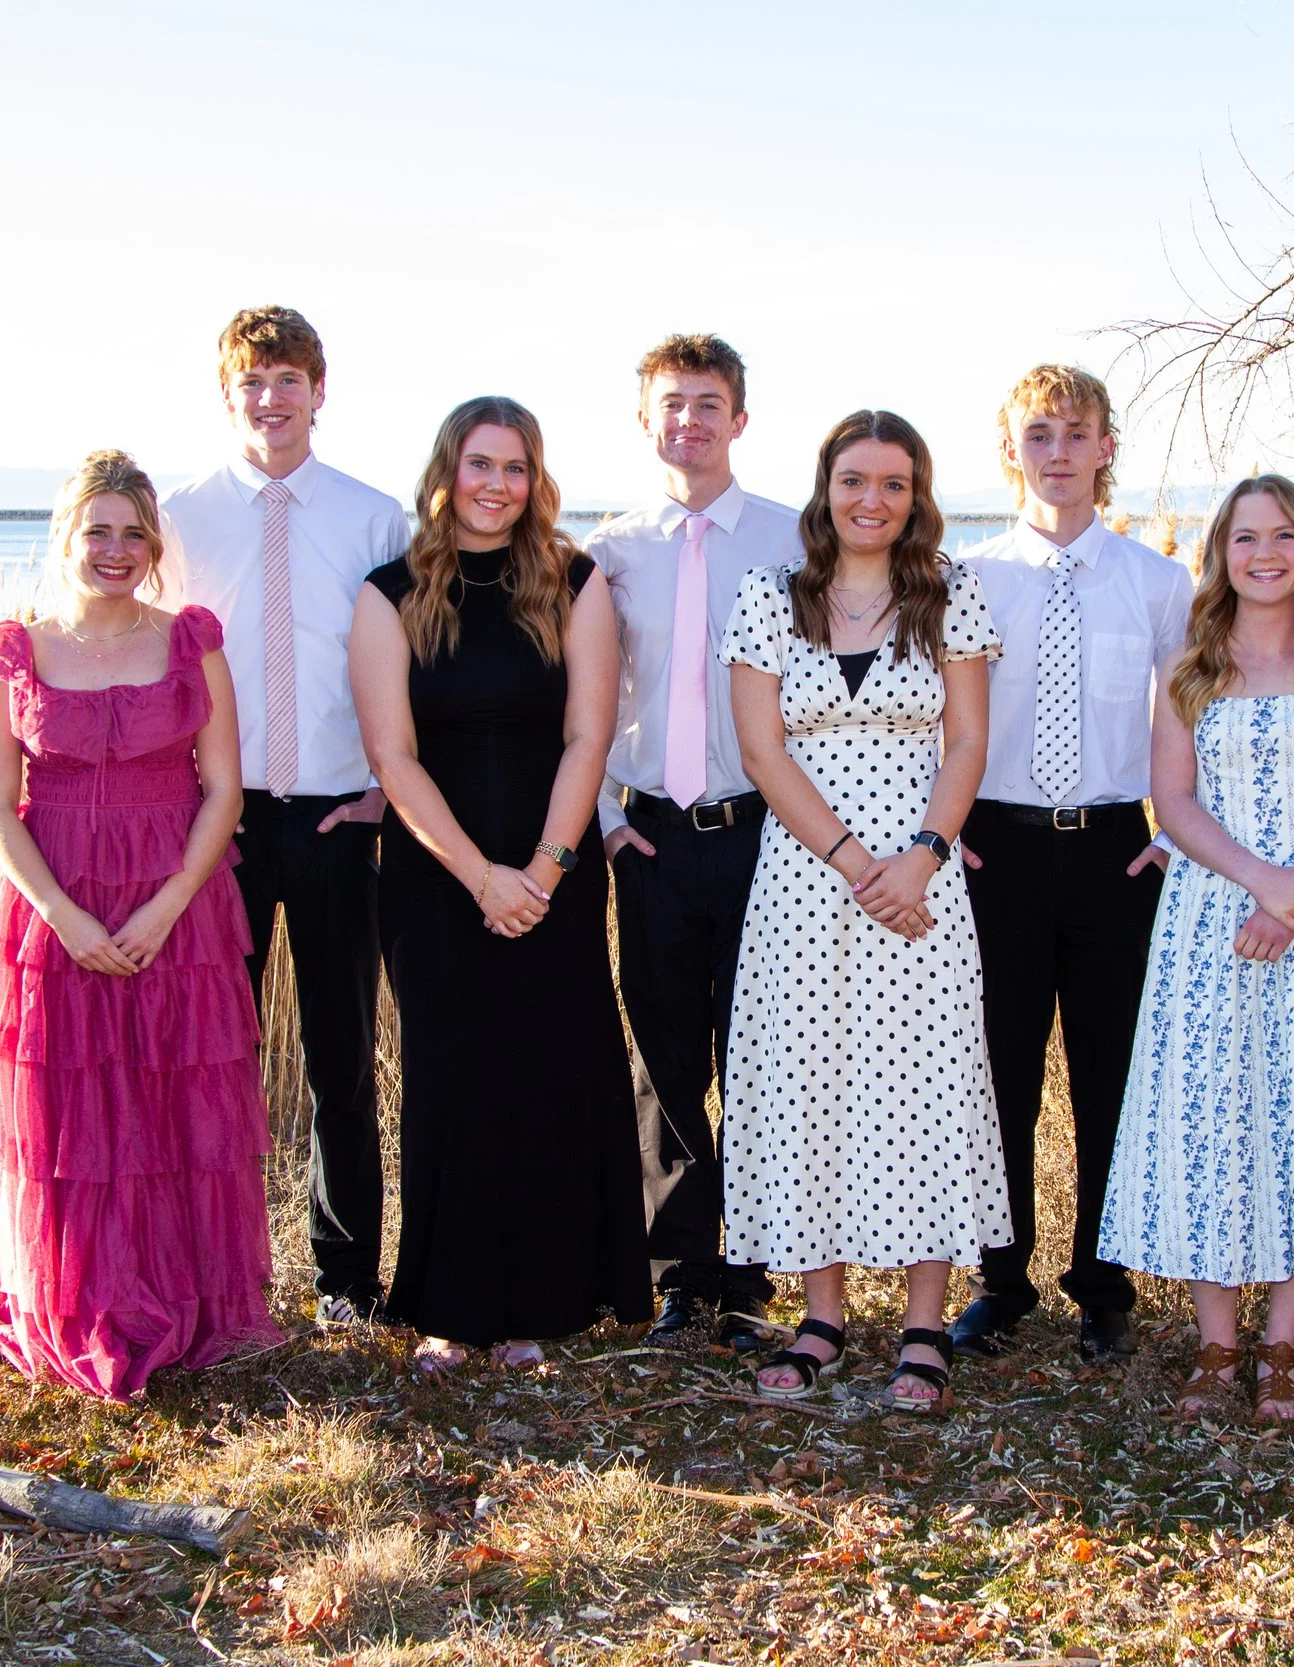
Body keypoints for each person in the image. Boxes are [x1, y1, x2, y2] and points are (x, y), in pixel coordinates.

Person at [0, 450, 281, 1401]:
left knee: (171, 1104)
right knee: (66, 1118)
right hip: (54, 904)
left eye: (133, 532)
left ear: (154, 543)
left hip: (178, 900)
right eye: (98, 531)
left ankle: (181, 1295)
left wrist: (168, 906)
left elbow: (224, 790)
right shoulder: (15, 650)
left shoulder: (190, 640)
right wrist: (62, 915)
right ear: (67, 539)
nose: (116, 550)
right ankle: (72, 1293)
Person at [1097, 475, 1294, 1425]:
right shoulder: (1190, 661)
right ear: (1220, 553)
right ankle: (1216, 1343)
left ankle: (1283, 1344)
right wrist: (1258, 881)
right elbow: (1174, 801)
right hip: (1207, 923)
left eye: (1282, 537)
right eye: (1244, 538)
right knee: (1211, 1124)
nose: (1264, 554)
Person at [350, 396, 650, 1370]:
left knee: (547, 1075)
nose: (496, 483)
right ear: (446, 471)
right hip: (438, 878)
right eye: (479, 463)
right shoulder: (388, 591)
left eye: (515, 467)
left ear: (535, 480)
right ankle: (449, 1307)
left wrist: (545, 869)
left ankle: (539, 1305)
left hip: (554, 868)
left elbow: (587, 735)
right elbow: (393, 756)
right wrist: (481, 876)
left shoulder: (573, 580)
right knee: (452, 1081)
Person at [718, 410, 1008, 1413]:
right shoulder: (767, 597)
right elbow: (762, 752)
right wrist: (851, 860)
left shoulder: (951, 597)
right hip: (804, 884)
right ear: (824, 487)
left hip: (921, 883)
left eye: (892, 481)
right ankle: (822, 1314)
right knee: (809, 1078)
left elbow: (966, 741)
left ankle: (925, 1319)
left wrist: (921, 855)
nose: (870, 498)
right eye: (853, 478)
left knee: (923, 1075)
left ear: (918, 495)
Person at [164, 307, 411, 1329]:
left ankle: (348, 1280)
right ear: (228, 395)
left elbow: (410, 661)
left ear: (320, 390)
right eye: (251, 382)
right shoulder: (179, 518)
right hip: (215, 823)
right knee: (214, 1052)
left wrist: (384, 793)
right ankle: (215, 1272)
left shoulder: (372, 517)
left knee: (339, 1056)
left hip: (338, 817)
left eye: (288, 380)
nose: (270, 399)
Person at [951, 366, 1194, 1363]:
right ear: (1010, 450)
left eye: (1076, 432)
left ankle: (1103, 1281)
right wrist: (941, 828)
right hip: (992, 848)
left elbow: (1187, 716)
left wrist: (1170, 837)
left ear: (1105, 448)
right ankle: (998, 1282)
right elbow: (938, 714)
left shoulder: (1158, 581)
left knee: (1111, 1073)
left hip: (1113, 848)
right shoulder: (962, 574)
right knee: (992, 1073)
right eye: (1038, 433)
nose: (1057, 449)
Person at [588, 336, 801, 1353]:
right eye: (671, 404)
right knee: (664, 1058)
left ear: (739, 419)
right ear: (645, 419)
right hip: (653, 837)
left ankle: (753, 1276)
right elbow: (584, 700)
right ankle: (679, 1274)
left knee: (755, 1053)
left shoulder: (791, 539)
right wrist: (606, 821)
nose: (689, 422)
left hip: (764, 830)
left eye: (708, 404)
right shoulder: (608, 551)